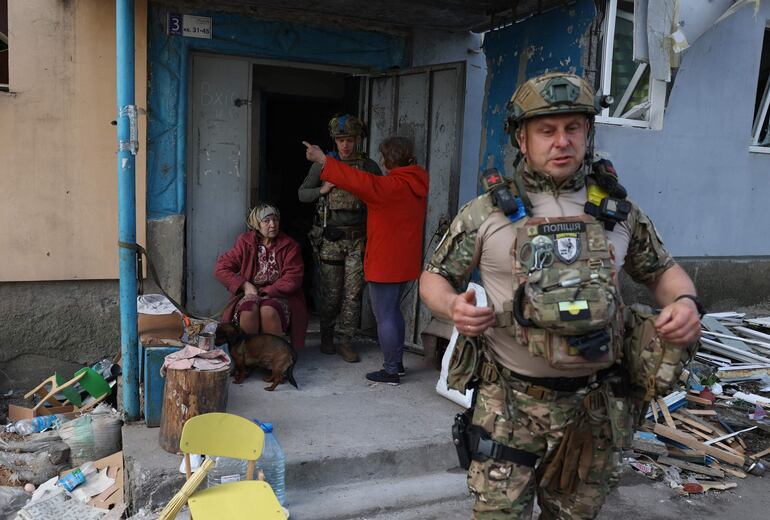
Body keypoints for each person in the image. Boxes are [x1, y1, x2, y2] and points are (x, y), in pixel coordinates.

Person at [419, 72, 702, 519]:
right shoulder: (485, 213)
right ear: (522, 137)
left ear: (587, 133)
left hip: (592, 409)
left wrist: (685, 303)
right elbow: (433, 277)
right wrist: (452, 306)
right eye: (546, 130)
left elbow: (663, 271)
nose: (562, 141)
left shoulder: (618, 214)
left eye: (573, 128)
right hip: (508, 406)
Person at [304, 136, 429, 385]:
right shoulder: (415, 180)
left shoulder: (389, 186)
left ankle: (391, 370)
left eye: (383, 156)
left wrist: (322, 159)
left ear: (389, 160)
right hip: (405, 261)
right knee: (393, 312)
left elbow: (356, 180)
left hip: (386, 263)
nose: (380, 161)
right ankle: (397, 365)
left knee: (385, 316)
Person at [298, 115, 382, 362]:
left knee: (353, 294)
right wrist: (322, 190)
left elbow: (381, 194)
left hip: (357, 240)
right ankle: (326, 336)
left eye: (350, 140)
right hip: (331, 240)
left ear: (358, 140)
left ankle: (346, 340)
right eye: (341, 140)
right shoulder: (324, 164)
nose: (345, 145)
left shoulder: (368, 166)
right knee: (331, 293)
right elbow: (302, 194)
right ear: (334, 141)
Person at [214, 202, 308, 349]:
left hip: (280, 294)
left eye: (275, 220)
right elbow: (221, 268)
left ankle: (274, 359)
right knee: (248, 309)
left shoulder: (290, 246)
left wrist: (267, 291)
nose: (272, 224)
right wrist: (245, 285)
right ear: (256, 224)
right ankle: (248, 359)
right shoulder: (245, 242)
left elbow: (293, 278)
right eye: (266, 221)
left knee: (268, 310)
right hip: (250, 293)